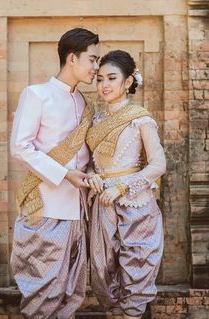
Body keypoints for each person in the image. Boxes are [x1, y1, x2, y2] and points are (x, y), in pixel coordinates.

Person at [10, 28, 99, 319]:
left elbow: (85, 156)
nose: (96, 68)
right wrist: (65, 175)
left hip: (77, 210)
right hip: (45, 208)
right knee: (43, 293)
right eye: (92, 60)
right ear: (72, 59)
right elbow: (20, 147)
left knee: (71, 291)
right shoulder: (37, 95)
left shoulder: (83, 103)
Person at [86, 50, 166, 319]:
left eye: (111, 78)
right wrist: (91, 176)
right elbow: (90, 164)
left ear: (128, 81)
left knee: (136, 265)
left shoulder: (140, 118)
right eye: (99, 79)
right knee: (101, 267)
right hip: (103, 201)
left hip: (134, 202)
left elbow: (158, 165)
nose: (104, 85)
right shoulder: (95, 120)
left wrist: (121, 187)